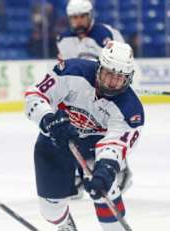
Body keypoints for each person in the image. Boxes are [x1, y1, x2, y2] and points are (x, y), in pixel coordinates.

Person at [24, 41, 144, 231]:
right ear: (99, 67)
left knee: (106, 188)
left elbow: (115, 144)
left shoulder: (130, 110)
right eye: (108, 74)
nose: (111, 82)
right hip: (56, 139)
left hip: (93, 148)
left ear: (128, 78)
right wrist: (48, 118)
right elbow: (34, 95)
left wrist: (106, 169)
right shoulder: (71, 71)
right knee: (50, 208)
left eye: (119, 78)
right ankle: (63, 221)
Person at [55, 0, 130, 199]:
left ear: (90, 15)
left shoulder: (107, 34)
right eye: (74, 18)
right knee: (77, 132)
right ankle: (81, 173)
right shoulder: (63, 39)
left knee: (107, 133)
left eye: (82, 16)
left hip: (107, 91)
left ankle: (120, 170)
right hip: (81, 92)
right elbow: (66, 69)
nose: (78, 21)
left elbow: (125, 62)